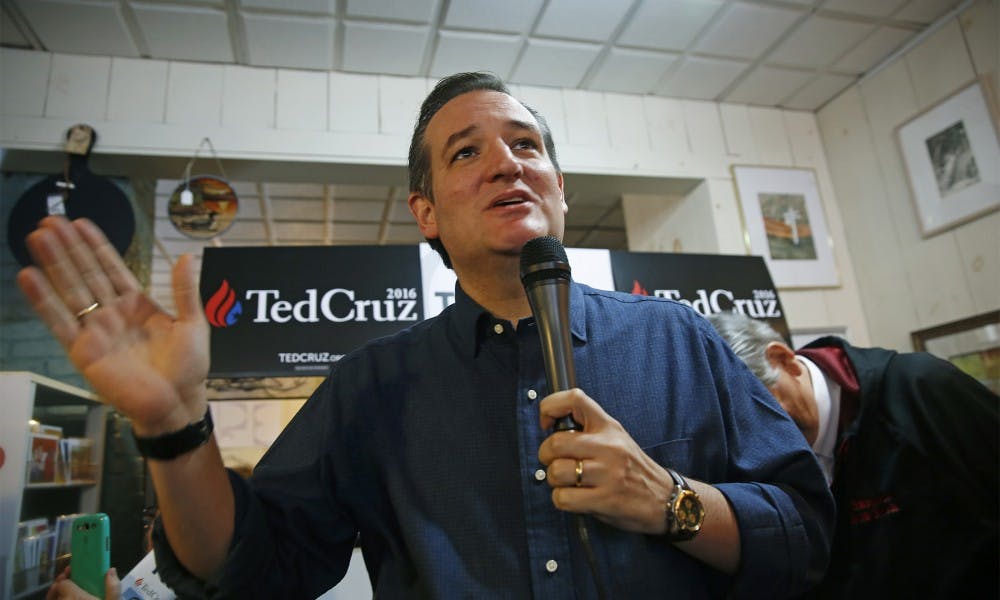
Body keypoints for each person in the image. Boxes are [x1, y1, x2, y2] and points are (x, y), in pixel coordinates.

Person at [19, 72, 833, 599]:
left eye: (527, 145)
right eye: (467, 151)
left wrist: (672, 503)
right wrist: (171, 428)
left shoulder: (680, 340)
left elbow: (804, 537)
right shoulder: (372, 386)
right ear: (427, 213)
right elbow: (252, 571)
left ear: (557, 186)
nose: (507, 163)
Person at [706, 311, 999, 599]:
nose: (753, 439)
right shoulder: (752, 464)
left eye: (758, 413)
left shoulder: (921, 388)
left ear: (783, 360)